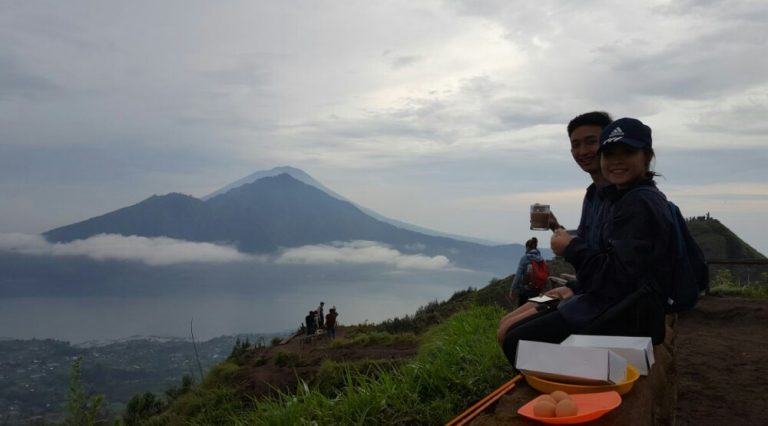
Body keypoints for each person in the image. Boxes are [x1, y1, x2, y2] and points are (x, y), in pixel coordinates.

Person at [498, 117, 674, 366]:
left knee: (513, 338)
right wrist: (557, 229)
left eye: (591, 142)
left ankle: (553, 394)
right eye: (575, 144)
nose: (583, 151)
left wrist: (571, 251)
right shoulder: (599, 194)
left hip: (618, 308)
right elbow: (603, 251)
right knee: (506, 324)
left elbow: (618, 273)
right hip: (596, 294)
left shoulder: (634, 201)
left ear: (647, 156)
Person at [509, 237, 545, 306]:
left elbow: (518, 275)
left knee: (521, 309)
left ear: (528, 247)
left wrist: (512, 289)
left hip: (525, 289)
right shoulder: (541, 258)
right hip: (537, 288)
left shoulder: (525, 258)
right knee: (534, 308)